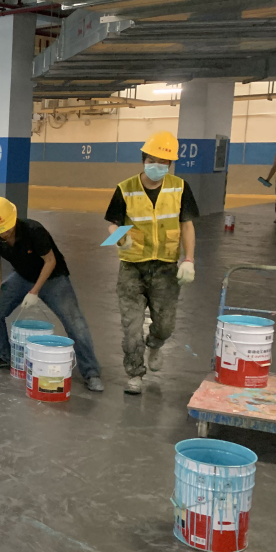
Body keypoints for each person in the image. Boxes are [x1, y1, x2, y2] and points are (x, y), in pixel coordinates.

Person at [104, 131, 198, 395]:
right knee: (131, 327)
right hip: (132, 268)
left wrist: (188, 259)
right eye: (153, 160)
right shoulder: (125, 188)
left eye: (164, 163)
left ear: (170, 165)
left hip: (166, 268)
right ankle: (134, 373)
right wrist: (120, 239)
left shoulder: (180, 187)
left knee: (165, 324)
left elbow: (186, 225)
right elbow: (114, 225)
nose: (158, 166)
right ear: (144, 159)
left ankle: (155, 344)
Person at [0, 196, 104, 392]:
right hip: (22, 276)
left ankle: (91, 372)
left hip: (53, 278)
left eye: (6, 228)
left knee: (75, 322)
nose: (3, 234)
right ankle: (4, 357)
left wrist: (34, 291)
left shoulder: (33, 230)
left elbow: (50, 261)